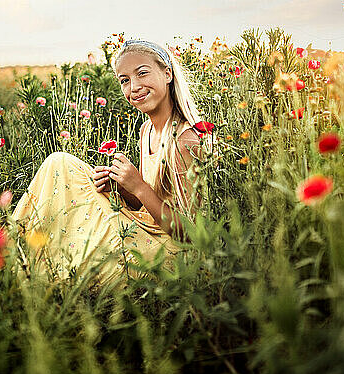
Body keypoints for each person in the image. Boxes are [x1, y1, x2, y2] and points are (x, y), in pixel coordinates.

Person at [11, 39, 211, 286]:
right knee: (60, 164)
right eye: (125, 80)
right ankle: (16, 248)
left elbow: (190, 234)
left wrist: (138, 186)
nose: (134, 86)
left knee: (67, 180)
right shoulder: (147, 130)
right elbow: (148, 202)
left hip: (167, 251)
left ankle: (16, 257)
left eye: (142, 73)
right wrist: (121, 187)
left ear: (167, 73)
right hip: (145, 226)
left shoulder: (184, 140)